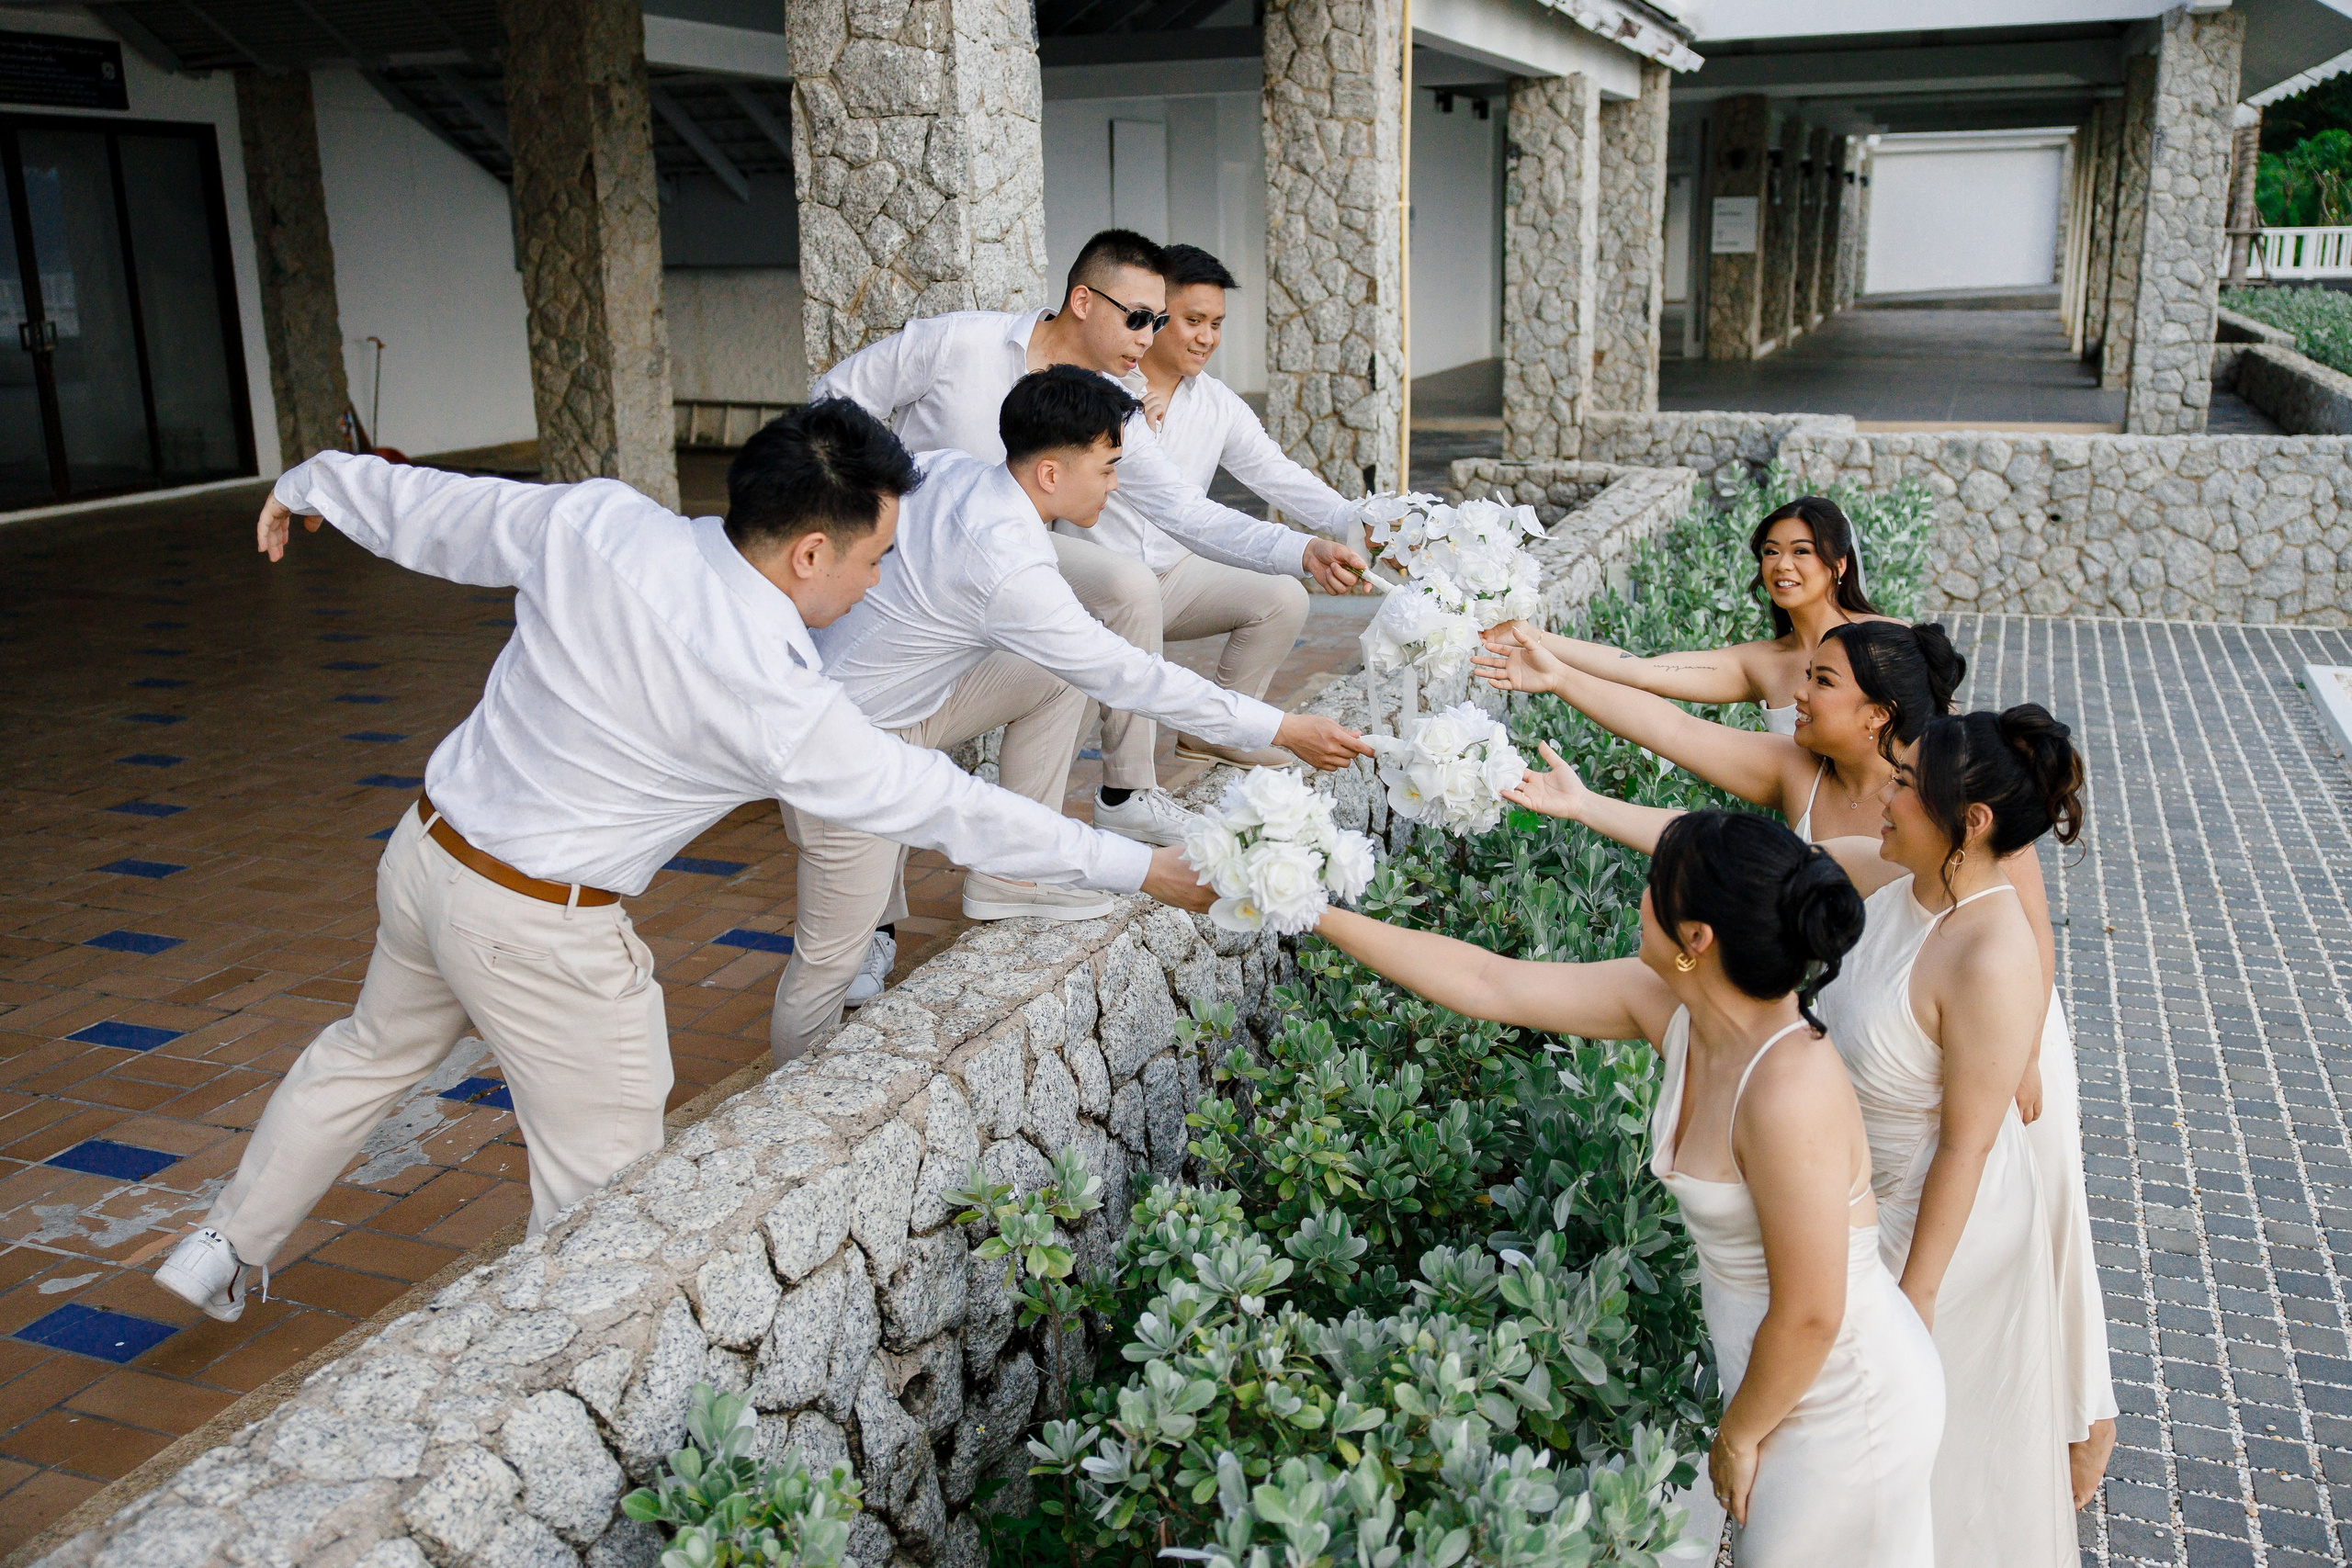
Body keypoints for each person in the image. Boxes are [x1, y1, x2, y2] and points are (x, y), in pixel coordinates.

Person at [152, 401, 1213, 1324]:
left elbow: (436, 510)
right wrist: (1136, 871)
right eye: (876, 557)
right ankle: (558, 1392)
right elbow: (946, 804)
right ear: (809, 553)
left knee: (364, 1053)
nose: (879, 578)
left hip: (427, 857)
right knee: (607, 1208)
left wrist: (311, 484)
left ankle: (221, 1247)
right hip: (539, 931)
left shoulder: (604, 523)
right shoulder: (771, 694)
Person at [1316, 811, 1942, 1564]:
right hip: (1773, 1383)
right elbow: (1490, 980)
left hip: (1846, 1401)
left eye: (1655, 885)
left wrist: (1737, 1435)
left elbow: (1812, 1311)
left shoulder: (1788, 1090)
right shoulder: (1673, 1003)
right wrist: (1308, 911)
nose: (1641, 897)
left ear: (1697, 938)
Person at [770, 367, 1374, 1062]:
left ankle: (1010, 877)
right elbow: (1133, 677)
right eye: (1108, 468)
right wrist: (1284, 728)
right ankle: (793, 1099)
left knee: (1056, 674)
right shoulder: (1009, 565)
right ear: (1051, 474)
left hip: (913, 705)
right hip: (845, 744)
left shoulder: (952, 469)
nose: (1116, 486)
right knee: (829, 963)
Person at [810, 229, 1371, 845]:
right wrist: (886, 510)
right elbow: (833, 399)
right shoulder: (957, 343)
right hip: (913, 561)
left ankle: (1123, 796)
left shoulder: (1117, 402)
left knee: (1125, 592)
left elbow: (1184, 509)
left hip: (1019, 551)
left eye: (1158, 321)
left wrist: (1301, 549)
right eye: (1137, 318)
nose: (1148, 337)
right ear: (1082, 301)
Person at [1800, 707, 2088, 1563]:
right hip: (1862, 1206)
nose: (1884, 796)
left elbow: (1967, 1143)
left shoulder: (1993, 953)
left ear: (1973, 820)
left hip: (1940, 1237)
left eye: (1904, 785)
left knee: (1933, 1482)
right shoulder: (1894, 878)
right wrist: (1584, 805)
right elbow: (1753, 860)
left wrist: (1915, 1295)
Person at [1085, 243, 1362, 769]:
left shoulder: (1216, 403)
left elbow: (1277, 474)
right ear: (1154, 315)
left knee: (1283, 597)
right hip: (1097, 587)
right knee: (1128, 611)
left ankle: (1217, 731)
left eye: (1216, 324)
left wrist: (1357, 522)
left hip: (1172, 578)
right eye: (1193, 320)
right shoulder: (1098, 390)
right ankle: (1130, 788)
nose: (1207, 337)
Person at [1474, 617, 1965, 846]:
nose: (1799, 693)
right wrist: (1560, 678)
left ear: (1878, 714)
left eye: (1823, 682)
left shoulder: (1949, 802)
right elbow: (1674, 730)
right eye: (1808, 675)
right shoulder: (1799, 770)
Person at [1508, 495, 1891, 735]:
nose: (1782, 565)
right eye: (1771, 551)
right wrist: (1530, 636)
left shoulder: (1884, 641)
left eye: (1801, 551)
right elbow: (1642, 671)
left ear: (1839, 564)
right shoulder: (1759, 663)